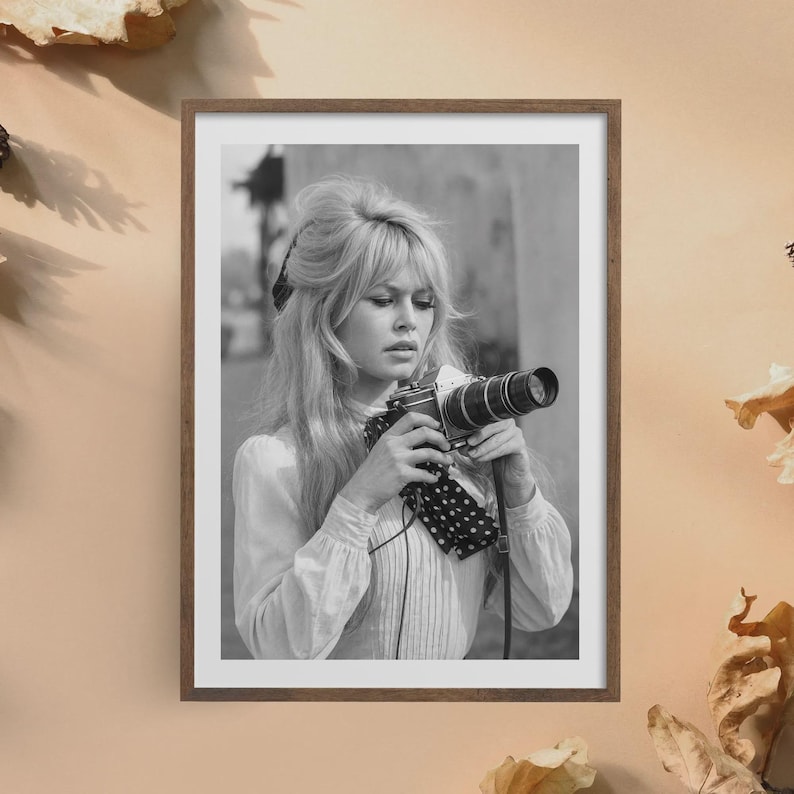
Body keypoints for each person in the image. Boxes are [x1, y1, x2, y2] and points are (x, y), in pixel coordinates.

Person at [232, 175, 573, 660]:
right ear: (326, 311)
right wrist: (357, 503)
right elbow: (277, 650)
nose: (408, 320)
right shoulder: (278, 462)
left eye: (424, 301)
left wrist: (520, 494)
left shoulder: (460, 433)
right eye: (383, 299)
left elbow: (542, 610)